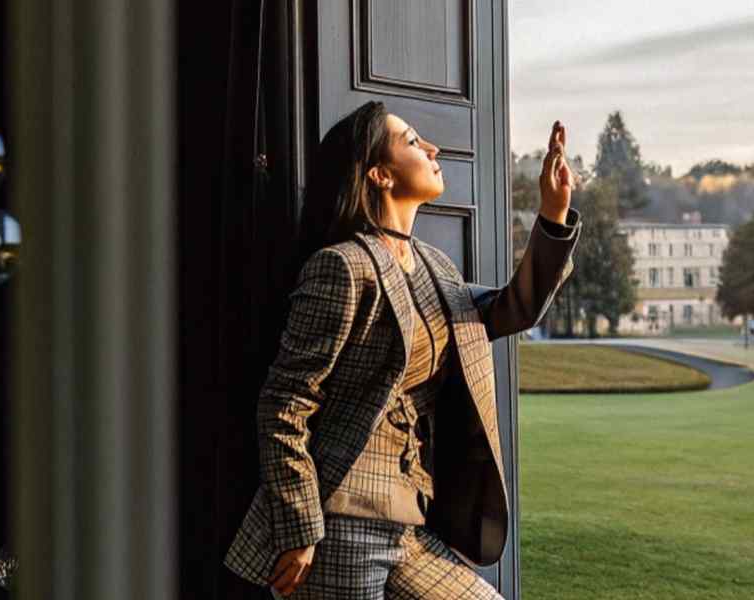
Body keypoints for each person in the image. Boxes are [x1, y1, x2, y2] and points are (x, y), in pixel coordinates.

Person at [224, 100, 581, 599]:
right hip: (341, 526)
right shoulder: (343, 267)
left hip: (411, 528)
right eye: (413, 142)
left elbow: (513, 309)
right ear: (379, 175)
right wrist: (300, 527)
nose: (433, 148)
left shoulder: (435, 268)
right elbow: (284, 406)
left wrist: (553, 214)